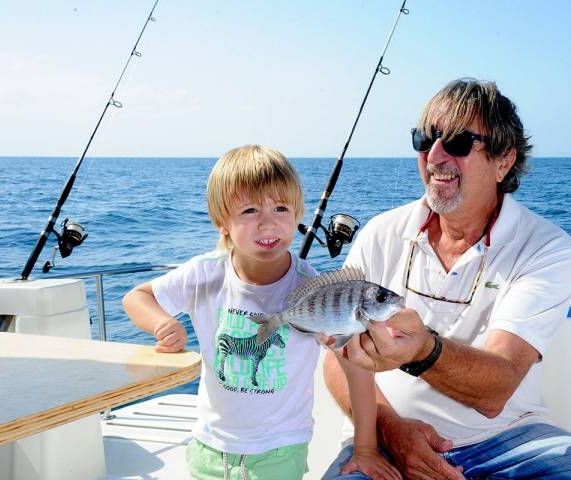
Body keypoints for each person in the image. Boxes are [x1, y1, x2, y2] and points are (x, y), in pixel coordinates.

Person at [322, 79, 571, 479]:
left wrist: (421, 349)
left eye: (458, 142)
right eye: (425, 138)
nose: (434, 155)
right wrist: (391, 431)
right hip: (385, 435)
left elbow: (497, 388)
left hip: (511, 441)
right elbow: (337, 360)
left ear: (503, 161)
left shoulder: (547, 248)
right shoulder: (381, 232)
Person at [123, 145, 399, 480]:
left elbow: (357, 370)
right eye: (250, 210)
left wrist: (366, 450)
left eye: (281, 208)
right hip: (208, 447)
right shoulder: (203, 273)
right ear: (222, 223)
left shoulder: (315, 286)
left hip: (280, 452)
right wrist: (162, 323)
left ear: (298, 215)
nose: (268, 223)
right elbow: (138, 297)